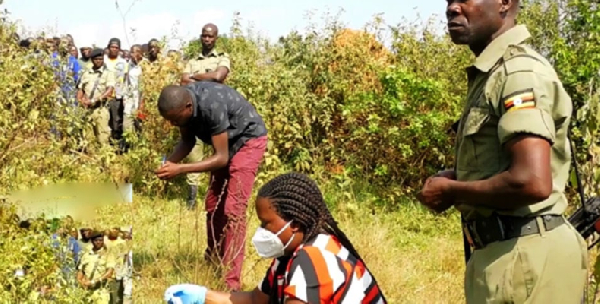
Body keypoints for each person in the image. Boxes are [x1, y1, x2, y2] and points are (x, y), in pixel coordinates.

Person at [416, 1, 588, 303]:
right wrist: (462, 176)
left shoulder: (518, 73)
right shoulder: (492, 73)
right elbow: (507, 165)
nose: (452, 8)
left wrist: (453, 191)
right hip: (508, 255)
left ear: (505, 3)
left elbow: (531, 181)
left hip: (524, 259)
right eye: (447, 1)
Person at [164, 173, 387, 304]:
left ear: (295, 223)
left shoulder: (314, 260)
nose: (261, 231)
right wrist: (203, 296)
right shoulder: (289, 254)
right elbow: (255, 300)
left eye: (267, 223)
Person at [154, 82, 268, 291]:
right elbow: (187, 143)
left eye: (175, 119)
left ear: (188, 107)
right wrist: (169, 164)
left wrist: (180, 170)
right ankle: (214, 261)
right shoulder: (183, 107)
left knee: (233, 211)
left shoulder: (210, 105)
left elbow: (221, 158)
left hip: (248, 141)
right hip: (225, 146)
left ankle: (231, 283)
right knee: (213, 204)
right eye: (169, 120)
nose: (172, 124)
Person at [180, 22, 231, 210]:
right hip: (195, 113)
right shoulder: (192, 60)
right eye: (205, 36)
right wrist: (206, 75)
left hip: (217, 113)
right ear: (200, 36)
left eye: (211, 36)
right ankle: (191, 200)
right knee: (194, 155)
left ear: (216, 38)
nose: (207, 39)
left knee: (220, 157)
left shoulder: (223, 57)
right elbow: (184, 81)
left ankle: (217, 197)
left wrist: (195, 76)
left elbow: (219, 76)